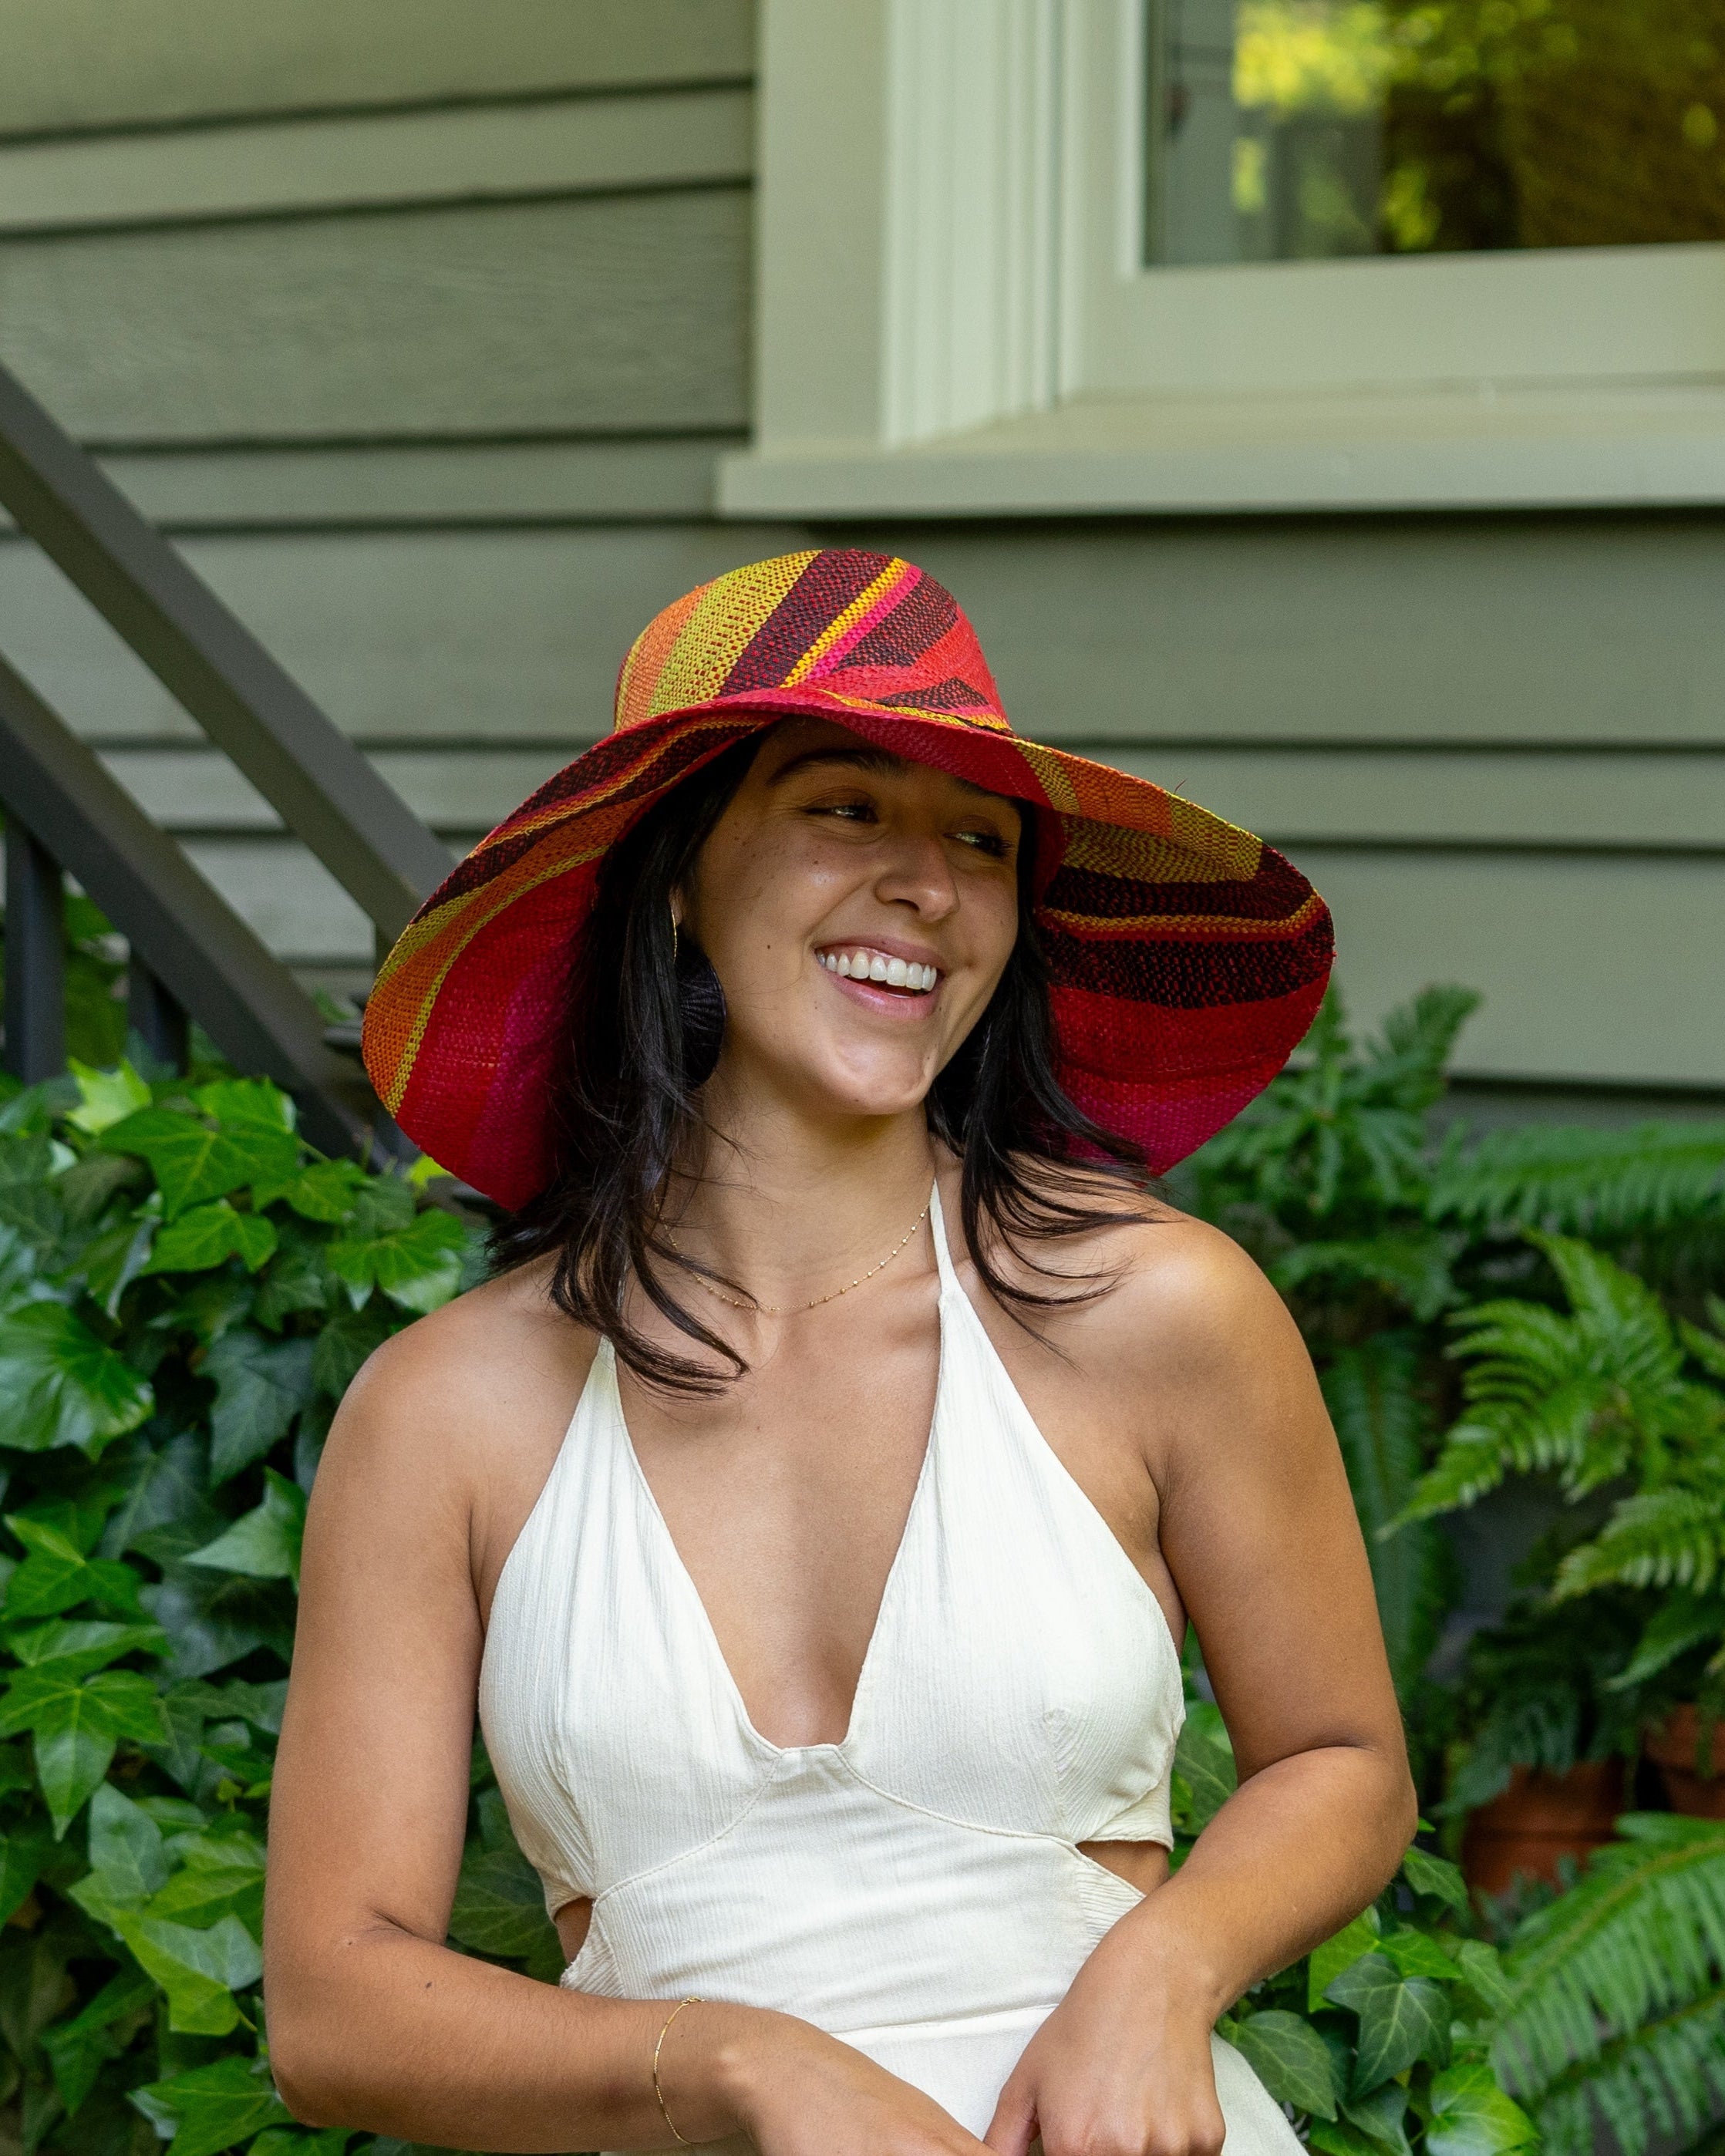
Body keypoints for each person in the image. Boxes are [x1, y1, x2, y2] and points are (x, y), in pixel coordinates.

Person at [264, 550, 1416, 2156]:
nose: (928, 887)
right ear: (677, 870)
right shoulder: (452, 1409)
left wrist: (1161, 1975)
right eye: (845, 810)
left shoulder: (1158, 1315)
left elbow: (1346, 1760)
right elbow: (332, 2008)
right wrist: (742, 2066)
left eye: (980, 841)